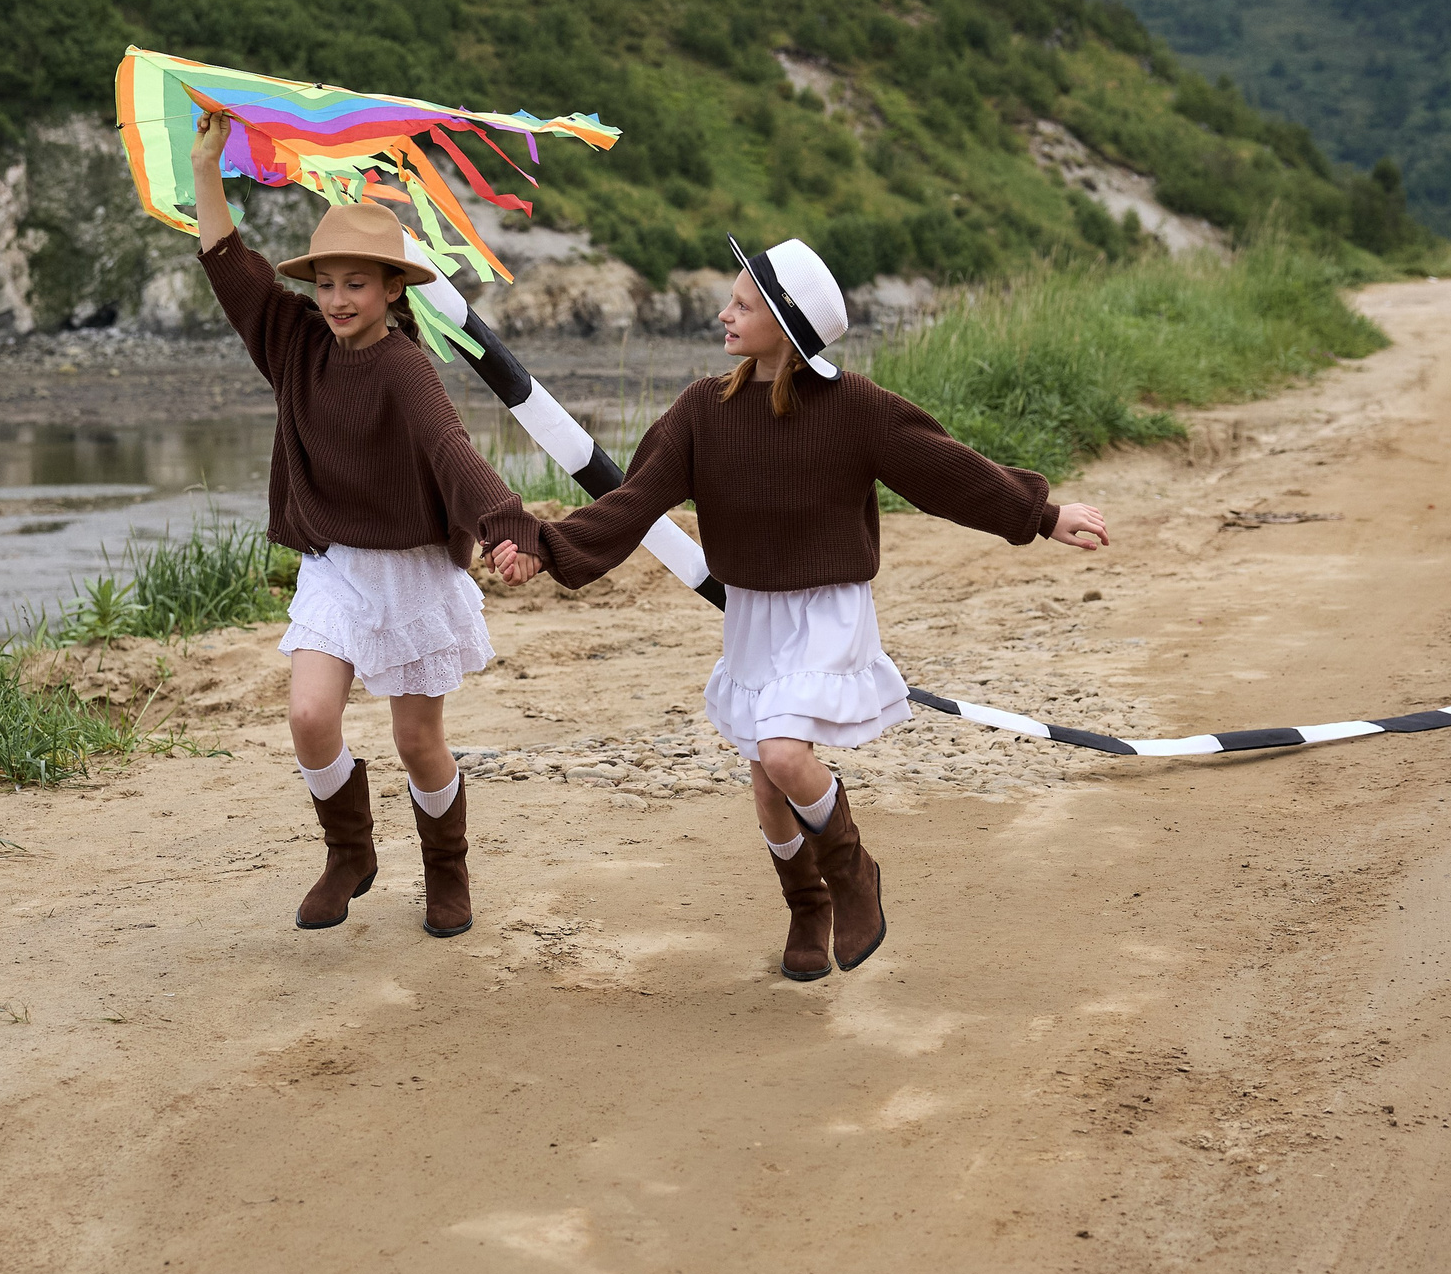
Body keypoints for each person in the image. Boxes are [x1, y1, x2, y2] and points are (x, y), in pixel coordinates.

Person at [492, 238, 1106, 980]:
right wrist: (547, 546)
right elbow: (633, 503)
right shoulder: (700, 411)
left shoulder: (856, 408)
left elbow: (949, 471)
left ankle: (852, 874)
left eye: (742, 304)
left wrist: (1042, 513)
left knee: (785, 755)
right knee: (766, 779)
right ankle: (806, 903)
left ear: (784, 326)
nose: (724, 314)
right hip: (753, 613)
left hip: (827, 612)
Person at [189, 108, 545, 938]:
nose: (339, 298)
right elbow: (227, 264)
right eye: (327, 281)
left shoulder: (405, 370)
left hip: (414, 570)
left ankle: (445, 871)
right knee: (311, 716)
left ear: (392, 289)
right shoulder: (292, 341)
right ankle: (350, 851)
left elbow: (453, 452)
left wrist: (504, 525)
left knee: (419, 741)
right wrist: (209, 168)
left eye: (358, 282)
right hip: (338, 566)